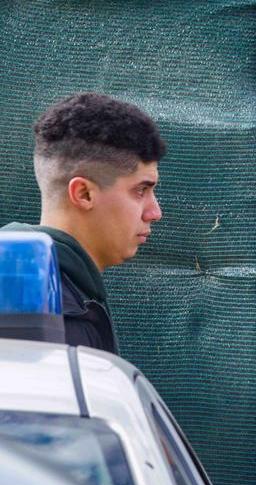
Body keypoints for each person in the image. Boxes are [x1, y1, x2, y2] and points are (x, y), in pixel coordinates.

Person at [2, 92, 165, 354]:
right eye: (140, 190)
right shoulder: (60, 323)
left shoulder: (59, 292)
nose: (154, 212)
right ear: (83, 194)